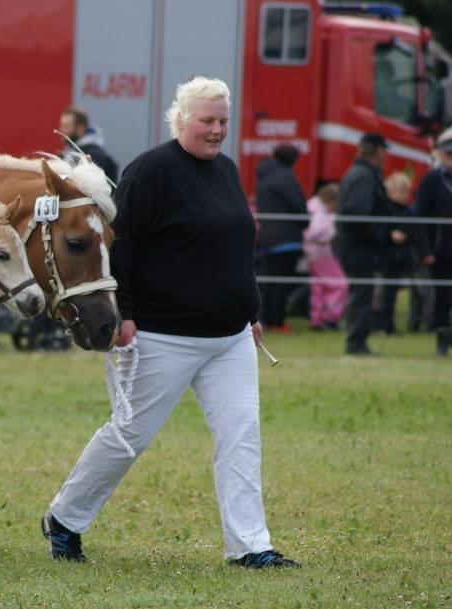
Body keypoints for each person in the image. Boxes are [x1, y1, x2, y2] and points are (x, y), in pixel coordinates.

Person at [41, 76, 299, 569]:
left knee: (241, 438)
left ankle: (251, 546)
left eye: (223, 120)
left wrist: (251, 311)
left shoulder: (225, 170)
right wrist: (127, 316)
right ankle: (65, 519)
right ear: (180, 120)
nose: (217, 129)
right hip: (159, 336)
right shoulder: (150, 172)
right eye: (207, 120)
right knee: (128, 435)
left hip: (229, 339)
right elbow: (121, 247)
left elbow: (235, 246)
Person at [334, 132, 403, 356]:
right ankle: (355, 343)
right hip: (358, 245)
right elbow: (358, 213)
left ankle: (358, 341)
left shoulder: (361, 173)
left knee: (362, 292)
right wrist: (377, 234)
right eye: (384, 150)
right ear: (378, 151)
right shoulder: (364, 176)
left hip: (355, 243)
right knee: (362, 293)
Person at [255, 144, 308, 332]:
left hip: (268, 239)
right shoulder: (286, 177)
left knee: (270, 283)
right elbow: (298, 206)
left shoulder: (263, 176)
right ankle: (278, 322)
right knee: (282, 284)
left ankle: (267, 320)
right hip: (287, 239)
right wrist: (305, 222)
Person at [412, 126, 452, 356]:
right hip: (441, 249)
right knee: (443, 296)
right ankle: (442, 342)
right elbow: (421, 217)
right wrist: (425, 249)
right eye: (448, 155)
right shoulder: (431, 180)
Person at [378, 172, 432, 335]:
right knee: (386, 293)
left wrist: (424, 252)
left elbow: (417, 232)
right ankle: (383, 325)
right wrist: (390, 235)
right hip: (387, 256)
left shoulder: (407, 211)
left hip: (404, 256)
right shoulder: (384, 209)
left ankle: (411, 322)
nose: (402, 196)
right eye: (399, 192)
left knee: (407, 292)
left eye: (405, 192)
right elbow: (378, 230)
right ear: (390, 191)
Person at [304, 183, 347, 331]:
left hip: (311, 254)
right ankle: (331, 316)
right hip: (321, 253)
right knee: (340, 284)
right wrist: (331, 230)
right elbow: (315, 232)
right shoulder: (321, 213)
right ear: (332, 201)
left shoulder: (311, 206)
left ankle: (316, 318)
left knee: (318, 287)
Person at [58, 107, 119, 182]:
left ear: (80, 129)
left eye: (66, 126)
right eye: (62, 126)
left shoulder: (95, 155)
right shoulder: (66, 153)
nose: (61, 130)